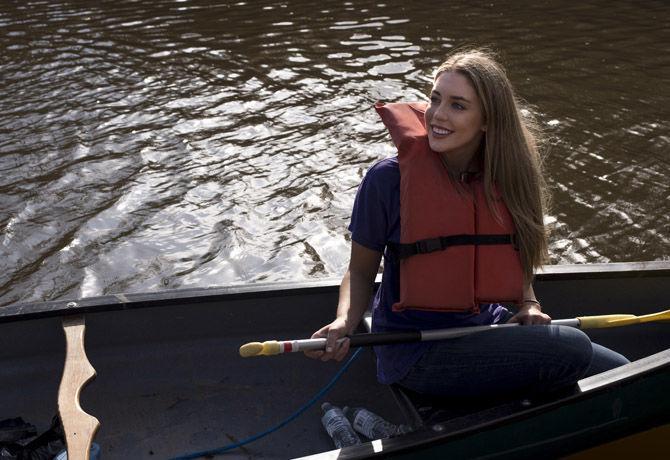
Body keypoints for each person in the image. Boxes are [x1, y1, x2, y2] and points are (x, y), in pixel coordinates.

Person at [305, 48, 629, 398]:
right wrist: (344, 323)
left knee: (625, 372)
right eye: (435, 99)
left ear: (487, 120)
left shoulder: (507, 176)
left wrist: (528, 305)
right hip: (418, 352)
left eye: (458, 105)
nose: (438, 115)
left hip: (489, 328)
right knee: (573, 348)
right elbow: (359, 272)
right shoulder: (388, 178)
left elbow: (514, 257)